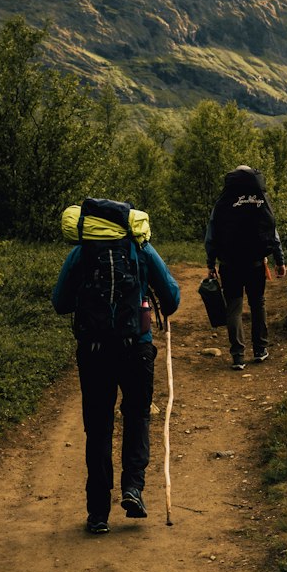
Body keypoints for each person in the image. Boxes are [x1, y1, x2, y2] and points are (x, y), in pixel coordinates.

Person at [52, 215, 180, 535]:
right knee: (137, 416)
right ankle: (133, 489)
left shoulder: (81, 253)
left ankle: (98, 513)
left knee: (98, 427)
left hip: (94, 351)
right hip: (136, 348)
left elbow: (59, 302)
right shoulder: (140, 248)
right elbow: (173, 297)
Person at [204, 164, 287, 370]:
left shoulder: (223, 202)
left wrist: (210, 262)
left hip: (229, 264)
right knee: (258, 303)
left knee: (234, 307)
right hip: (256, 263)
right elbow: (272, 232)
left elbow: (211, 234)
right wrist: (280, 260)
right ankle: (260, 350)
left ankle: (238, 356)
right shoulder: (261, 200)